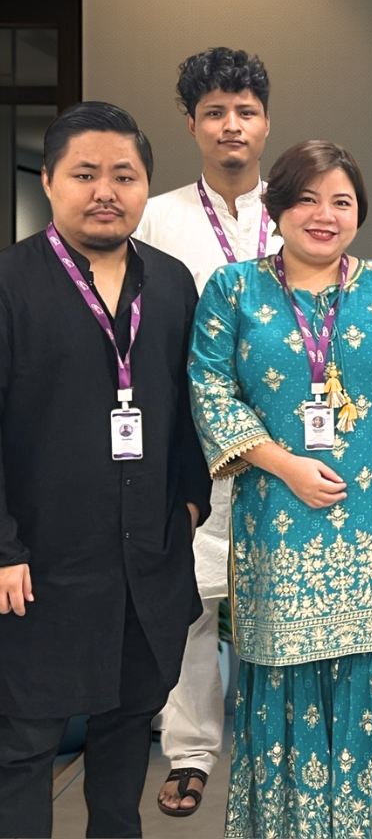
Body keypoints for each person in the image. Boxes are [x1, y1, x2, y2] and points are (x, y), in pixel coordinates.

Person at [188, 140, 372, 838]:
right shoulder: (234, 289)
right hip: (281, 524)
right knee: (287, 684)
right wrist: (284, 464)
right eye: (307, 199)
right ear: (278, 207)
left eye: (341, 201)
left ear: (359, 213)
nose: (324, 215)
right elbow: (210, 391)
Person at [0, 102, 210, 838]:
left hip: (146, 560)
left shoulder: (172, 283)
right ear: (49, 180)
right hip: (40, 565)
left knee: (127, 729)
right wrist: (4, 547)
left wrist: (188, 507)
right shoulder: (11, 283)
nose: (105, 192)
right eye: (85, 174)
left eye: (124, 175)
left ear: (146, 184)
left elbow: (193, 409)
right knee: (25, 743)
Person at [134, 46, 280, 817]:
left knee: (276, 600)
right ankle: (189, 750)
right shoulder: (157, 218)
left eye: (246, 111)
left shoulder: (296, 209)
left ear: (266, 122)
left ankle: (271, 742)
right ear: (191, 124)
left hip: (282, 442)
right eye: (215, 112)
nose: (232, 125)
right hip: (188, 440)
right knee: (190, 599)